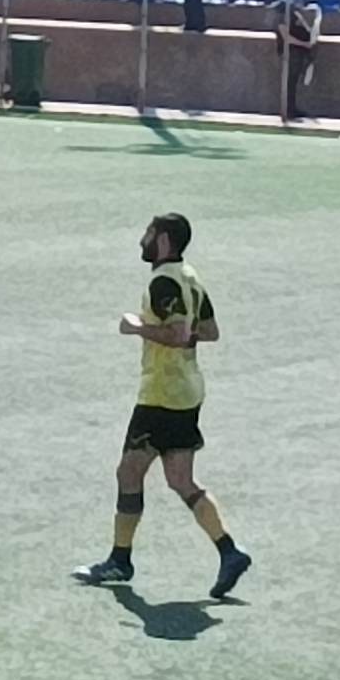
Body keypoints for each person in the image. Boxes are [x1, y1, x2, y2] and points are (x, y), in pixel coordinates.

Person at [72, 213, 253, 600]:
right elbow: (209, 331)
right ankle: (229, 552)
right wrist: (179, 335)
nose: (143, 240)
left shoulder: (163, 282)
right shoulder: (189, 276)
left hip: (162, 396)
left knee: (128, 472)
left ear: (164, 240)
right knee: (181, 480)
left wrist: (137, 327)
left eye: (149, 234)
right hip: (188, 392)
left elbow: (180, 334)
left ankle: (120, 560)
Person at [272, 0, 318, 122]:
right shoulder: (281, 16)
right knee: (289, 83)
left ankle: (292, 108)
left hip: (298, 53)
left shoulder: (295, 14)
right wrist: (305, 44)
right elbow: (286, 37)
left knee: (293, 82)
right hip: (290, 53)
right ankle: (288, 110)